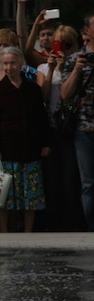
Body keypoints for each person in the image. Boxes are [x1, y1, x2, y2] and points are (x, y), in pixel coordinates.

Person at [0, 46, 51, 232]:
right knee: (3, 195)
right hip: (5, 150)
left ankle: (28, 231)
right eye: (5, 63)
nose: (9, 67)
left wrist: (45, 143)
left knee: (30, 195)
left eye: (12, 63)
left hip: (29, 149)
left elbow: (41, 118)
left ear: (21, 63)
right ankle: (5, 230)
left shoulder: (32, 89)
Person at [36, 25, 84, 231]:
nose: (62, 49)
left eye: (67, 44)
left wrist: (67, 68)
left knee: (70, 180)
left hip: (72, 127)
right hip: (51, 127)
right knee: (52, 180)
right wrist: (52, 69)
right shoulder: (43, 68)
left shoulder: (80, 65)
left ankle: (72, 222)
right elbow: (44, 97)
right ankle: (53, 223)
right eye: (58, 43)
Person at [61, 13, 94, 232]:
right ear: (88, 31)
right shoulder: (75, 59)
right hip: (84, 129)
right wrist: (77, 70)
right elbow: (65, 94)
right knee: (89, 184)